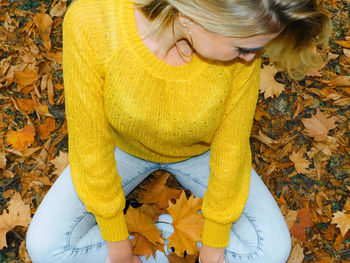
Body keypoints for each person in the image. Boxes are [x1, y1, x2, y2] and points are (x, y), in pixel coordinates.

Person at [26, 0, 331, 262]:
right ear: (195, 17)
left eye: (257, 49)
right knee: (45, 245)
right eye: (244, 48)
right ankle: (156, 242)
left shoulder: (241, 47)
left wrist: (214, 238)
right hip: (120, 148)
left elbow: (231, 145)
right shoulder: (92, 22)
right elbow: (90, 145)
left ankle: (170, 238)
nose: (252, 58)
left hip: (200, 153)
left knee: (272, 249)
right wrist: (116, 241)